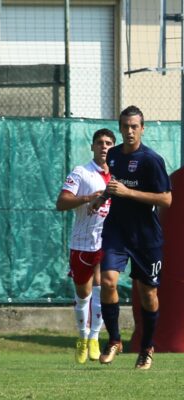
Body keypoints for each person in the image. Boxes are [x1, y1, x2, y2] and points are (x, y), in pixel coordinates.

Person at [89, 106, 172, 370]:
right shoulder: (113, 155)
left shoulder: (151, 160)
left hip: (146, 238)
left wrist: (128, 192)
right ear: (121, 127)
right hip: (117, 231)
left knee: (147, 294)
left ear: (142, 128)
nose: (129, 131)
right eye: (125, 126)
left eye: (134, 126)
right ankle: (114, 339)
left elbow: (166, 199)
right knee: (108, 280)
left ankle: (147, 347)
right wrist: (103, 197)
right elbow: (115, 186)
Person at [56, 129, 116, 364]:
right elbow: (61, 202)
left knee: (103, 289)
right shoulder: (82, 172)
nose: (104, 147)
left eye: (109, 143)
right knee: (84, 294)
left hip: (108, 241)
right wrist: (87, 198)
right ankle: (82, 337)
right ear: (92, 147)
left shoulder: (118, 176)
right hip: (82, 243)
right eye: (100, 143)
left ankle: (94, 338)